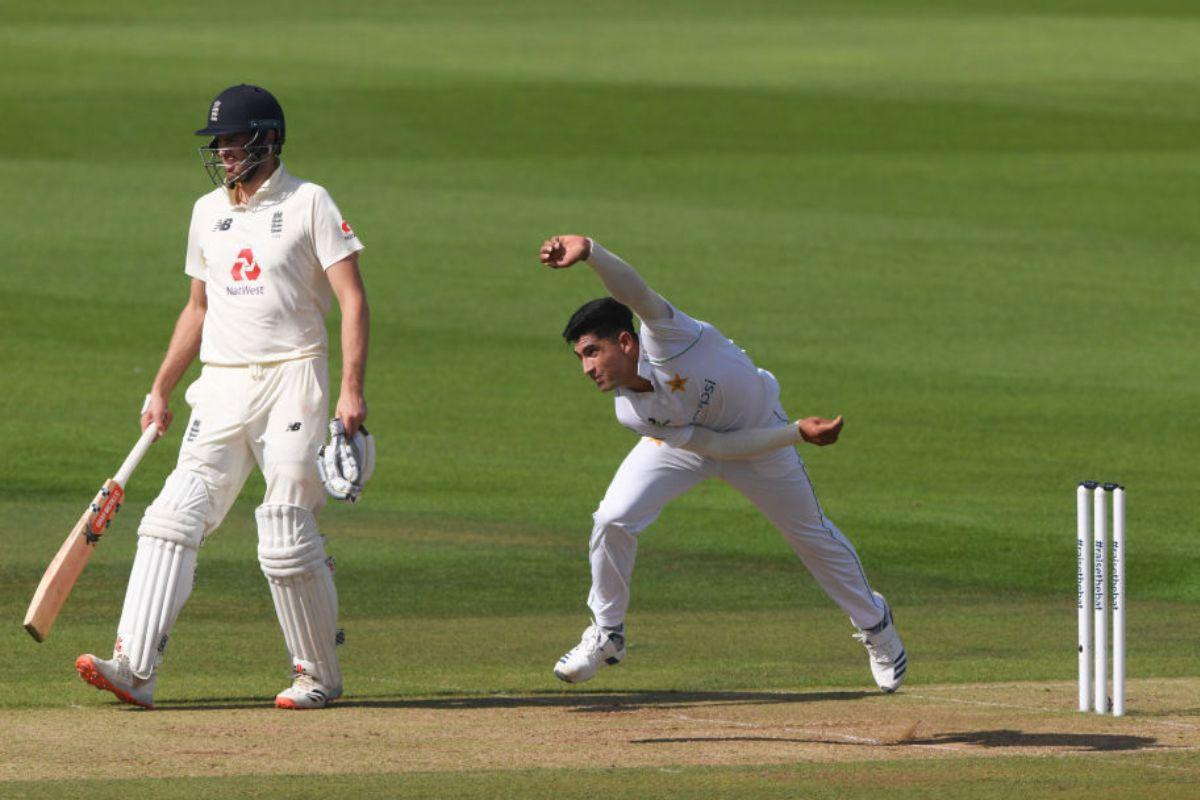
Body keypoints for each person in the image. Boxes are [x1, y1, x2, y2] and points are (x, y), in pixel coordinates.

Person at [75, 84, 369, 710]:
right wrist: (160, 387)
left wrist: (350, 390)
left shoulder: (310, 201)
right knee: (169, 519)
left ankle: (318, 675)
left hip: (295, 377)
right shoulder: (207, 210)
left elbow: (352, 300)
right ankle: (134, 667)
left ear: (269, 139)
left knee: (285, 532)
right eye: (219, 143)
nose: (225, 151)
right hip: (222, 384)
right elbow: (198, 308)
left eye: (235, 140)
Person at [539, 234, 906, 692]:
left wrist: (591, 251)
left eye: (592, 352)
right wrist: (796, 432)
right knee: (613, 518)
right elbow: (715, 449)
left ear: (627, 342)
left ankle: (876, 626)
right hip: (693, 445)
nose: (587, 368)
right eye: (579, 358)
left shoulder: (667, 337)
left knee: (810, 536)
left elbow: (633, 292)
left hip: (761, 434)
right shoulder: (629, 411)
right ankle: (607, 632)